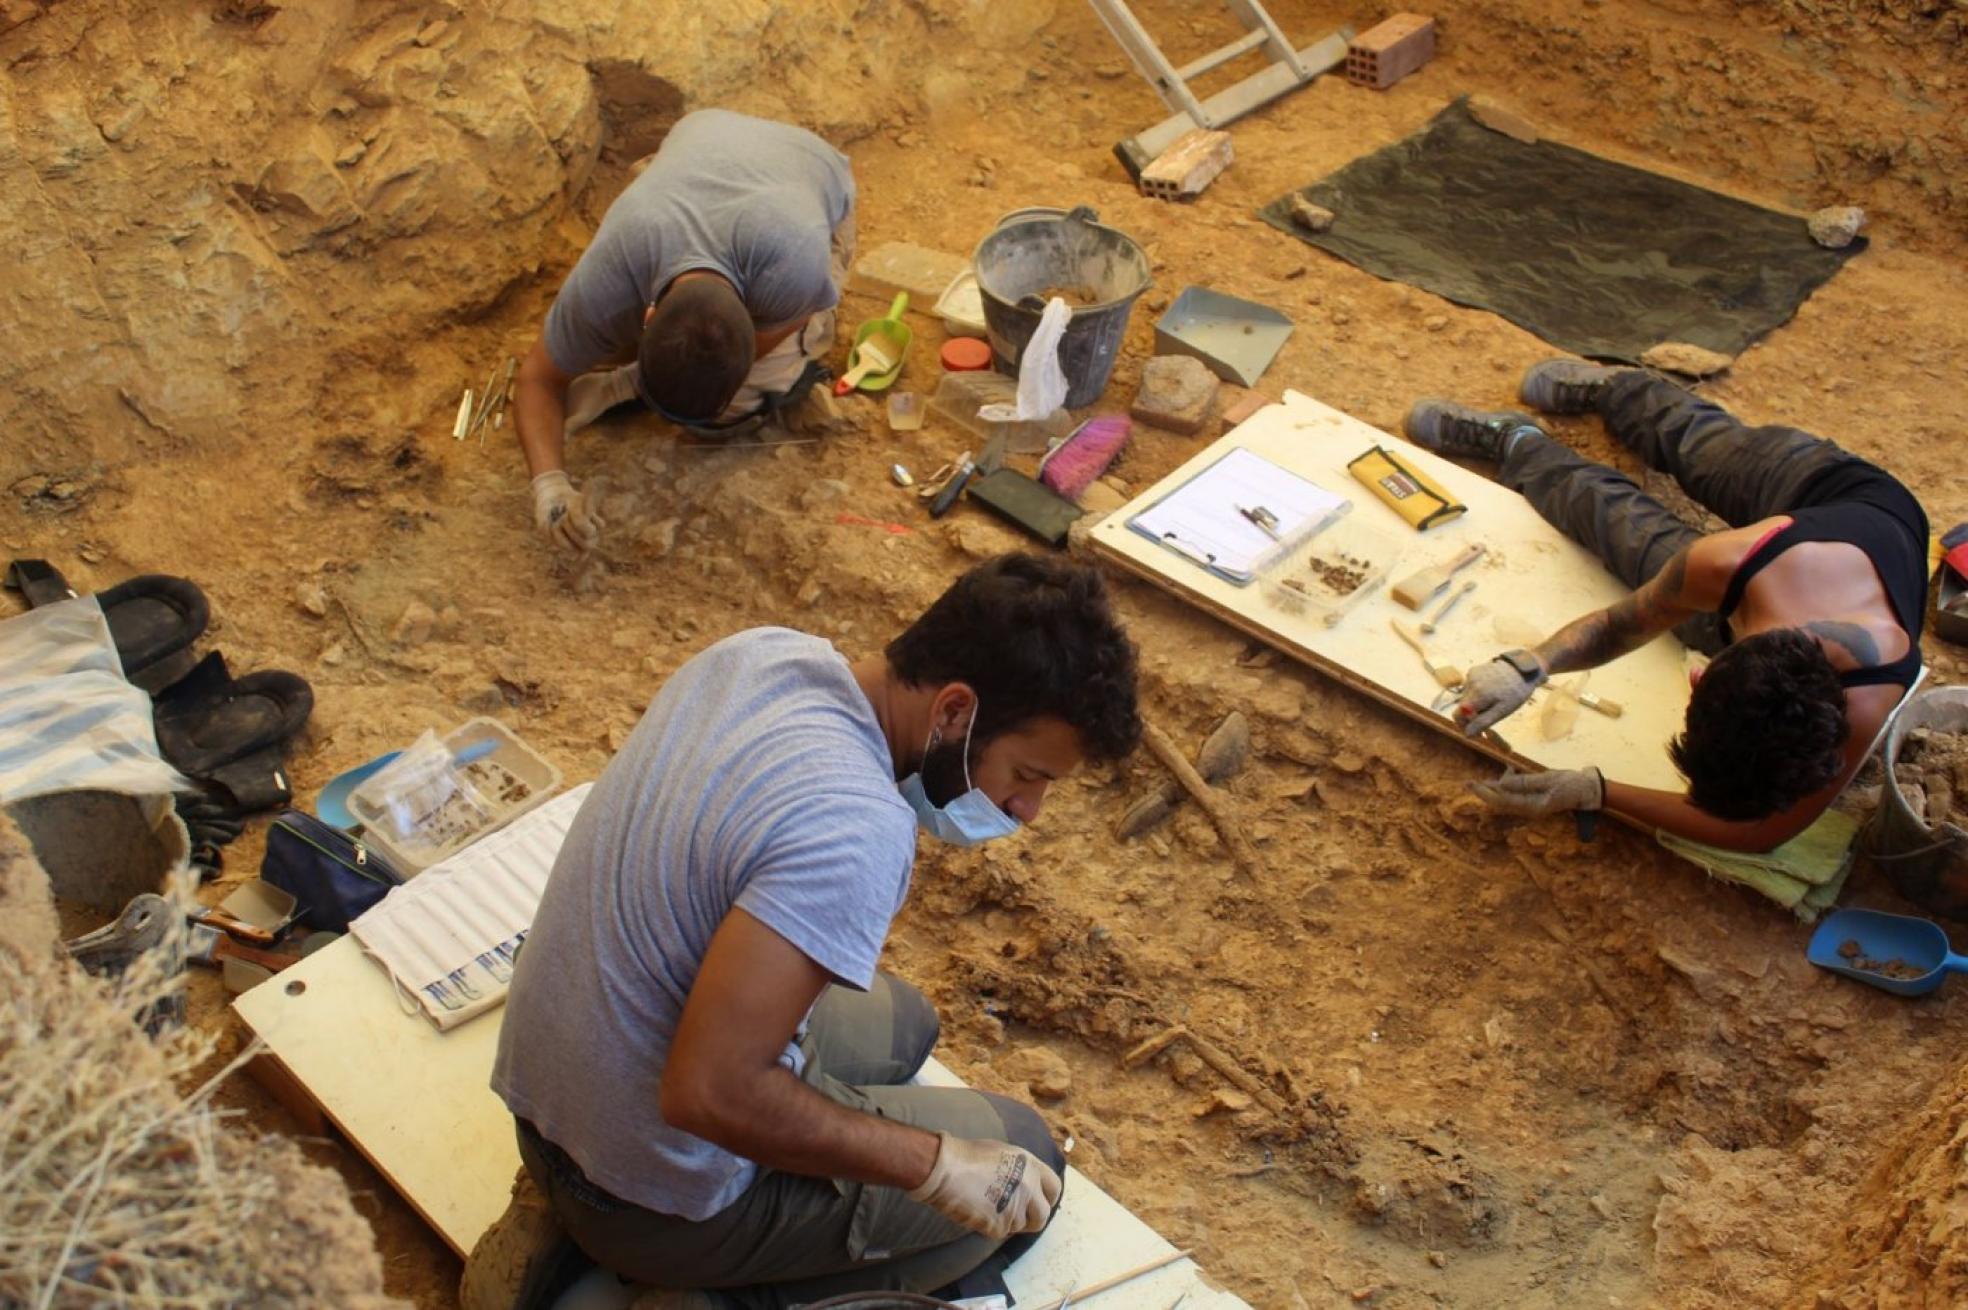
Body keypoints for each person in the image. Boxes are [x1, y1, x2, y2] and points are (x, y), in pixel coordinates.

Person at [463, 554, 1142, 1310]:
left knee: (908, 1024)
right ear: (954, 713)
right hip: (646, 1195)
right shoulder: (856, 829)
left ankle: (573, 1218)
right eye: (1027, 774)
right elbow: (707, 1092)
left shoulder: (764, 653)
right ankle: (708, 1295)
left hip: (547, 1107)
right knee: (1024, 1160)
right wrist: (932, 1164)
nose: (1027, 811)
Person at [1404, 360, 1928, 853]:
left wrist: (1595, 791)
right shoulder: (1723, 564)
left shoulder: (1867, 699)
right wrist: (1531, 664)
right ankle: (1611, 393)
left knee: (1645, 520)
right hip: (1826, 491)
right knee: (1702, 454)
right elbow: (1617, 624)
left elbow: (1763, 831)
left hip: (1835, 537)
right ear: (1701, 675)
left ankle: (1523, 443)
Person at [515, 108, 857, 556]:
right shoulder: (611, 274)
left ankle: (635, 381)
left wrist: (636, 377)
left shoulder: (793, 267)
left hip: (810, 170)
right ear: (647, 315)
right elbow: (536, 378)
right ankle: (641, 376)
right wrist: (550, 488)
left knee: (737, 405)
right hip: (705, 149)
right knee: (640, 232)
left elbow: (791, 317)